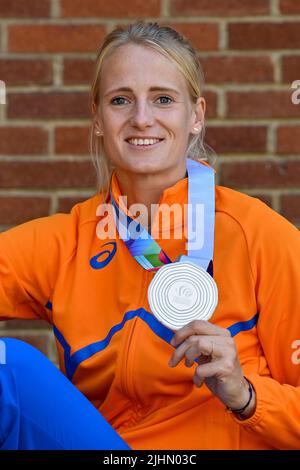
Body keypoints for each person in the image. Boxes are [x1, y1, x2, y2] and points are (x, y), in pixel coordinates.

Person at [0, 21, 300, 450]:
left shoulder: (257, 233)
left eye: (163, 98)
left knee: (11, 367)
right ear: (98, 119)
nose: (142, 119)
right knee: (7, 368)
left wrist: (246, 395)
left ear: (195, 116)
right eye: (121, 100)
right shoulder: (67, 242)